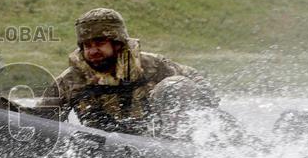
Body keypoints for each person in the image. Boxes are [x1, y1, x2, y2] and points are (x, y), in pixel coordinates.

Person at [35, 8, 206, 134]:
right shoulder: (70, 81)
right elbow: (41, 119)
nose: (93, 51)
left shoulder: (152, 65)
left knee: (175, 85)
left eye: (100, 43)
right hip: (102, 152)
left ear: (117, 44)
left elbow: (194, 79)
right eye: (87, 46)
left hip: (158, 145)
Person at [148, 75, 248, 146]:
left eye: (180, 104)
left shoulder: (210, 120)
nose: (173, 112)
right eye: (168, 104)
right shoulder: (154, 119)